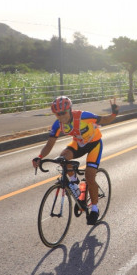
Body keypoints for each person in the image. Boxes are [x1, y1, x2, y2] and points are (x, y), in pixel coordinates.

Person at [32, 95, 119, 225]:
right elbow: (49, 144)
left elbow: (104, 119)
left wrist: (114, 113)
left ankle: (94, 209)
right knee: (62, 158)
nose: (61, 116)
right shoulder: (58, 125)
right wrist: (39, 157)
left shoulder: (83, 116)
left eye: (63, 113)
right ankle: (76, 187)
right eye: (57, 114)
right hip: (78, 144)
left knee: (90, 176)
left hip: (94, 144)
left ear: (70, 109)